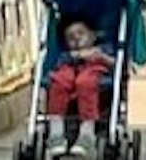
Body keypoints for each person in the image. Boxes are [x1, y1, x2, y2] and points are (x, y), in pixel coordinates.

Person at [46, 16, 113, 153]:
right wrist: (73, 57)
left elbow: (116, 64)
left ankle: (87, 133)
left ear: (93, 36)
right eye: (70, 37)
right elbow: (56, 66)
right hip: (70, 74)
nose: (76, 38)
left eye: (81, 33)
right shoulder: (66, 55)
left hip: (93, 74)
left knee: (86, 82)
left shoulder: (102, 49)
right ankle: (56, 132)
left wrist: (102, 57)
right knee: (59, 80)